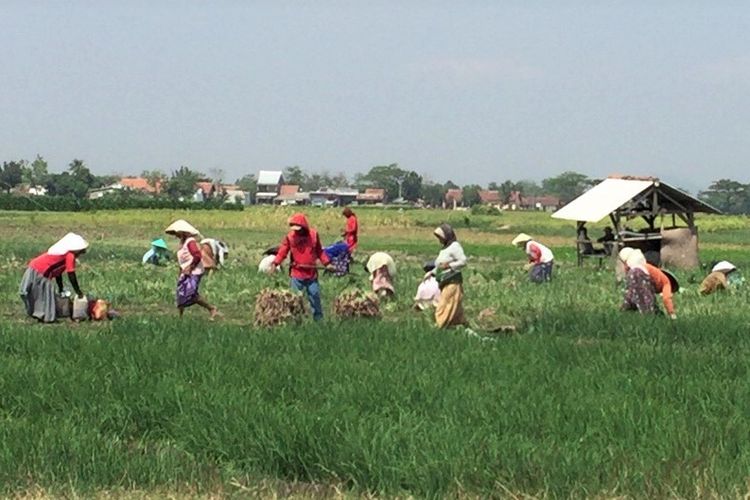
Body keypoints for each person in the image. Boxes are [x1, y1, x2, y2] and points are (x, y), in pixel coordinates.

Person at [270, 213, 333, 321]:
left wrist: (328, 264)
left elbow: (319, 251)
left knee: (314, 296)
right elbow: (283, 251)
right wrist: (275, 263)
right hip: (297, 273)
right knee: (295, 299)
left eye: (299, 229)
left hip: (311, 274)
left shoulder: (313, 235)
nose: (297, 231)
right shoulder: (290, 237)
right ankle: (295, 320)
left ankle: (319, 321)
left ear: (304, 226)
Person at [19, 232, 89, 323]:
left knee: (36, 293)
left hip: (34, 267)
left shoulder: (62, 254)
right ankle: (46, 317)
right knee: (44, 295)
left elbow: (58, 273)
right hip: (41, 271)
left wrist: (61, 288)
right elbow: (71, 274)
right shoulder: (70, 255)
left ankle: (39, 314)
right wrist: (78, 291)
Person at [165, 219, 219, 319]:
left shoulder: (190, 242)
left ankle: (211, 308)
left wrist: (190, 267)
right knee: (180, 293)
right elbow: (182, 261)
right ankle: (180, 316)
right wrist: (181, 272)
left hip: (194, 271)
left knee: (191, 293)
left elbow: (197, 255)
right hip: (185, 271)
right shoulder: (182, 242)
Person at [426, 224, 467, 328]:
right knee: (453, 305)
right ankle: (457, 324)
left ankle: (441, 324)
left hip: (452, 281)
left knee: (444, 305)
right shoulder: (444, 249)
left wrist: (449, 265)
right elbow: (440, 266)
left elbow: (463, 261)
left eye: (441, 237)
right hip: (444, 281)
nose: (439, 239)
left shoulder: (455, 246)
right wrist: (431, 273)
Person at [620, 247, 657, 314]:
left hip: (645, 312)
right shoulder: (643, 271)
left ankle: (645, 312)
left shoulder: (633, 273)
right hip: (651, 306)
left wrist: (623, 309)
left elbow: (630, 293)